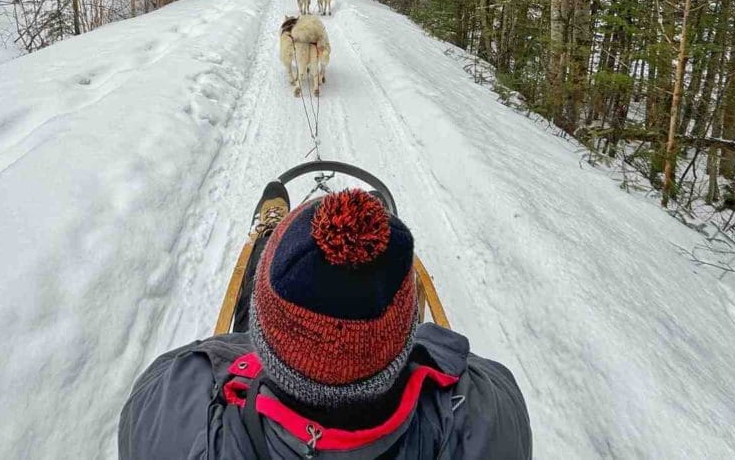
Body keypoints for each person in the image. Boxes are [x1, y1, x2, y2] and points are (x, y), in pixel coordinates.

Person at [119, 183, 532, 458]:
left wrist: (276, 334)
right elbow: (460, 360)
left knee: (246, 315)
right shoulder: (491, 413)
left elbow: (188, 367)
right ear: (406, 327)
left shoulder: (166, 405)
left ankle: (267, 237)